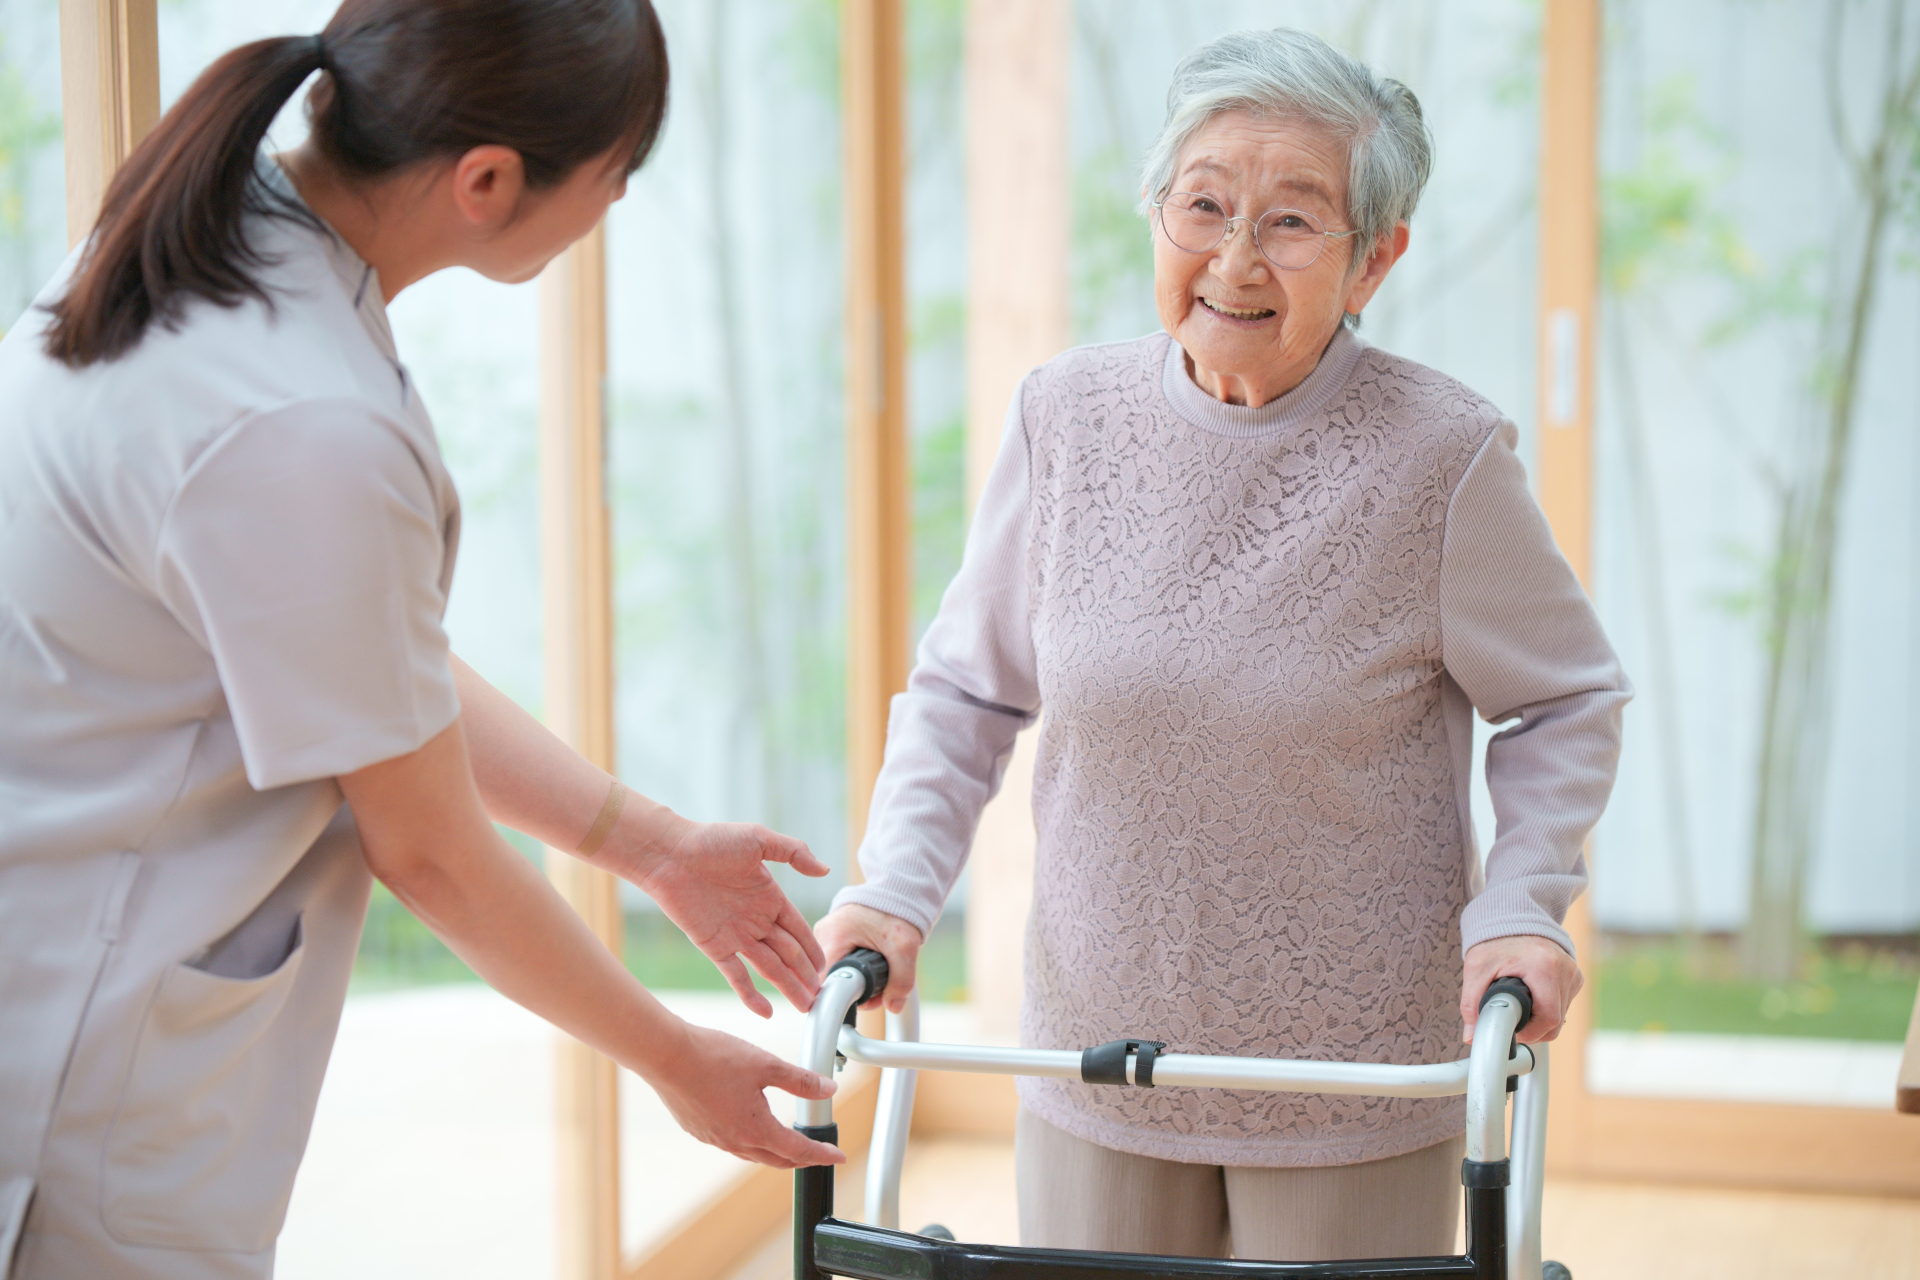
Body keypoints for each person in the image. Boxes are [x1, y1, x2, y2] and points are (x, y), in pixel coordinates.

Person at [0, 2, 844, 1276]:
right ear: (490, 180)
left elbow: (350, 660)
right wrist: (675, 1061)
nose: (612, 209)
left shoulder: (207, 245)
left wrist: (653, 846)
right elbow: (433, 849)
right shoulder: (304, 417)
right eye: (615, 179)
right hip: (80, 1067)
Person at [814, 26, 1630, 1265]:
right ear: (1155, 214)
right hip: (1094, 1048)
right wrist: (893, 887)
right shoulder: (1066, 419)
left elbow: (1567, 696)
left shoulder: (1441, 457)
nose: (1234, 259)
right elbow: (968, 688)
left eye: (1293, 221)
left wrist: (1523, 905)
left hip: (1356, 1077)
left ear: (1375, 258)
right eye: (1202, 205)